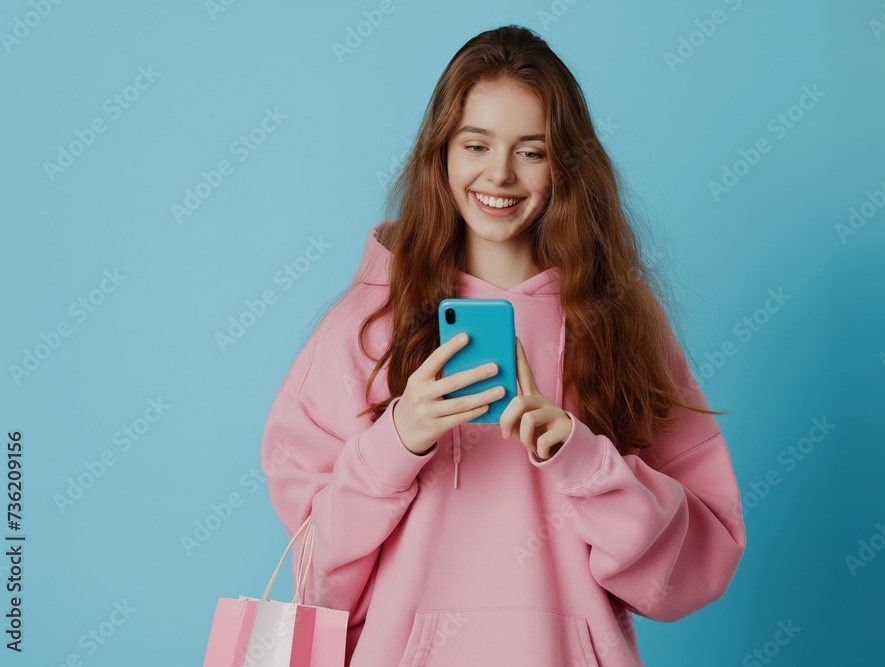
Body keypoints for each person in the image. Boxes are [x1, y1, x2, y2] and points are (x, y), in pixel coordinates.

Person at [260, 24, 746, 667]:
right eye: (476, 144)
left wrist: (586, 462)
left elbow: (698, 564)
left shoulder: (620, 322)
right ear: (441, 153)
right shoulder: (367, 326)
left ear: (566, 163)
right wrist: (396, 443)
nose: (500, 173)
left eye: (532, 151)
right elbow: (315, 575)